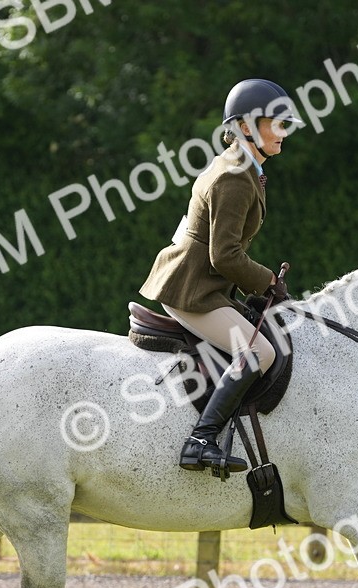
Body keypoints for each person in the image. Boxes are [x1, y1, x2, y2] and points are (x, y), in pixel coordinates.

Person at [139, 79, 299, 474]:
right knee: (259, 353)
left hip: (203, 285)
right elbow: (224, 254)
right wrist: (268, 283)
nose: (283, 131)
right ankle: (200, 440)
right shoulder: (234, 176)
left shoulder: (240, 167)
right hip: (190, 290)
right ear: (245, 127)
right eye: (274, 123)